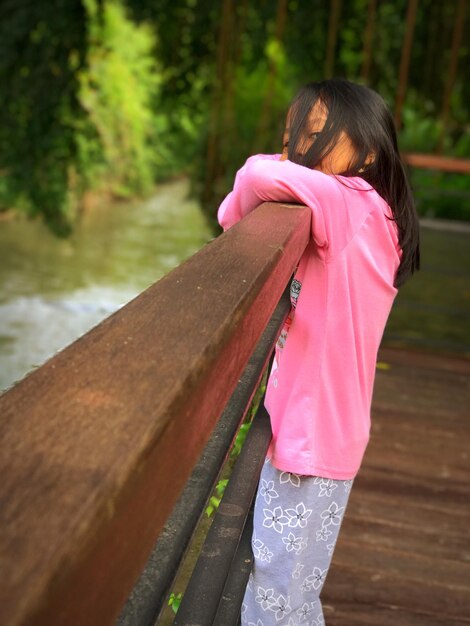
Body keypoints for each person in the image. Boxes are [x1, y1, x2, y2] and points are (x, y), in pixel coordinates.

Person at [217, 78, 420, 625]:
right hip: (323, 430)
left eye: (313, 133)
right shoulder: (370, 211)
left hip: (313, 434)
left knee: (276, 598)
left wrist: (278, 160)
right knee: (289, 591)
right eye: (291, 133)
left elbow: (245, 190)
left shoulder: (349, 202)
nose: (297, 147)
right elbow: (235, 217)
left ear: (370, 151)